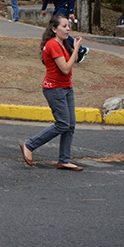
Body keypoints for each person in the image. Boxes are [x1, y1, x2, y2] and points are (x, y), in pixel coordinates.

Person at [19, 14, 84, 171]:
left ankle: (64, 160)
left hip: (66, 87)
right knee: (63, 123)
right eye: (64, 26)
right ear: (54, 29)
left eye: (68, 25)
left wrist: (75, 50)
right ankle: (29, 145)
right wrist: (76, 49)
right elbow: (65, 68)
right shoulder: (53, 45)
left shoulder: (61, 43)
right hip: (54, 89)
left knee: (70, 125)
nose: (68, 28)